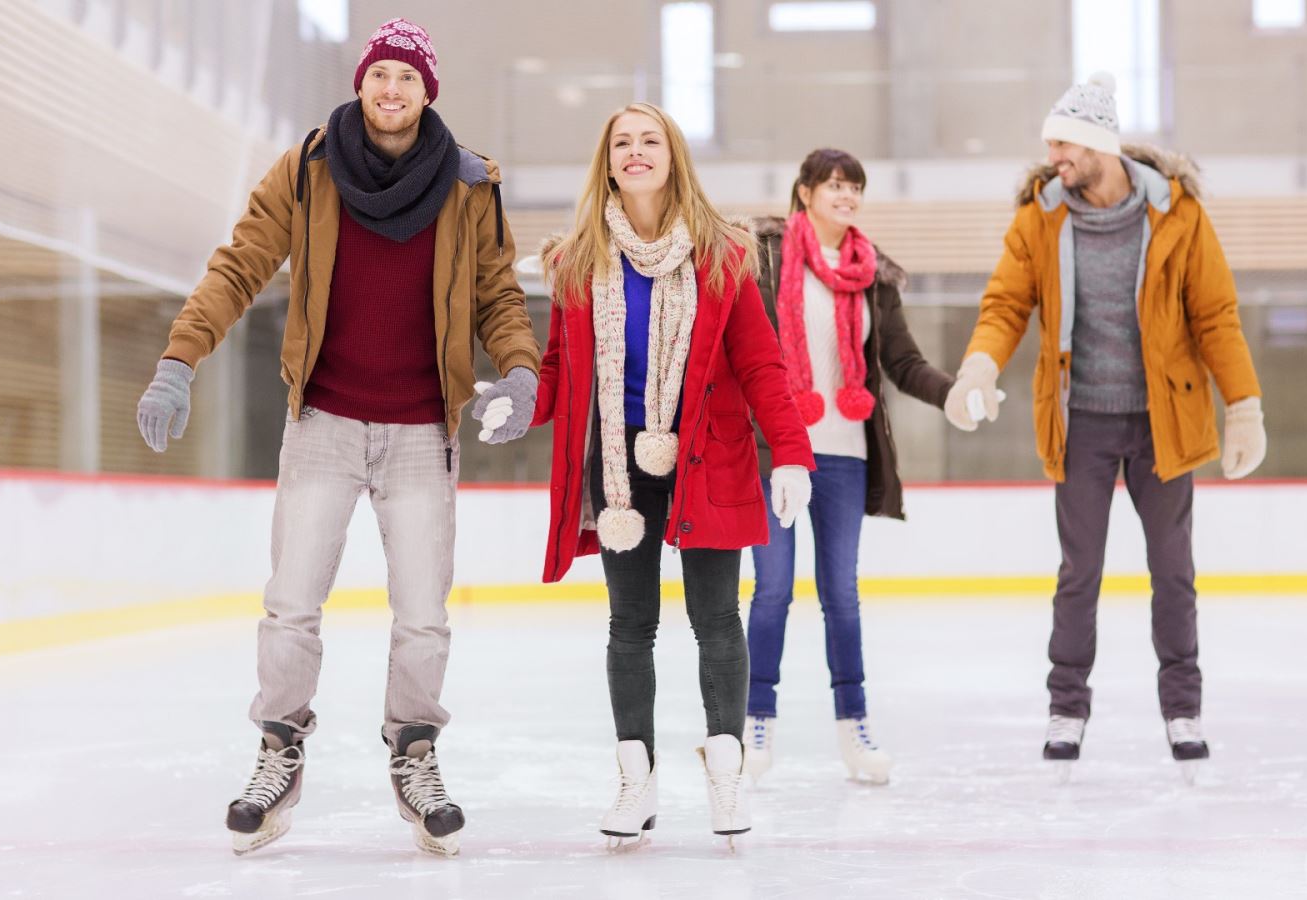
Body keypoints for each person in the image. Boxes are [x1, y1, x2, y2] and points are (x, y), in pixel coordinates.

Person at [134, 18, 541, 856]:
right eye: (380, 75)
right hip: (323, 418)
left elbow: (499, 294)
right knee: (290, 605)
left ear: (429, 93)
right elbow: (240, 262)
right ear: (362, 82)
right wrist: (180, 357)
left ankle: (415, 752)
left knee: (424, 614)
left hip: (423, 427)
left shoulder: (468, 183)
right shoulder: (309, 166)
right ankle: (279, 749)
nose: (392, 91)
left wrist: (521, 368)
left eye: (409, 80)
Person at [944, 73, 1267, 778]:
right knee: (1078, 573)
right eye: (1051, 143)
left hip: (1164, 421)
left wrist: (1242, 405)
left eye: (1063, 141)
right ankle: (1068, 708)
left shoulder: (1177, 215)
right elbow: (1006, 305)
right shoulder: (1041, 216)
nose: (1053, 155)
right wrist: (977, 369)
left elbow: (1216, 317)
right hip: (1081, 420)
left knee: (1173, 572)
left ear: (1097, 144)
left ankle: (1183, 710)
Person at [531, 103, 815, 846]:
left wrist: (789, 450)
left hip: (707, 458)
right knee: (632, 626)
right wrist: (516, 401)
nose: (634, 152)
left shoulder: (722, 254)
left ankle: (726, 781)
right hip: (619, 469)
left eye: (648, 140)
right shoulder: (578, 258)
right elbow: (560, 369)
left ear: (673, 156)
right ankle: (637, 784)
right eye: (621, 143)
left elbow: (761, 362)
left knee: (717, 621)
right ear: (607, 163)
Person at [742, 148, 955, 785]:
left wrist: (955, 393)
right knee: (773, 590)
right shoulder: (766, 258)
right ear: (804, 192)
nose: (847, 195)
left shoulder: (872, 275)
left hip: (845, 454)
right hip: (778, 452)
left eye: (855, 186)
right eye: (834, 185)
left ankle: (854, 729)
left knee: (842, 596)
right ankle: (756, 724)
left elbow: (903, 361)